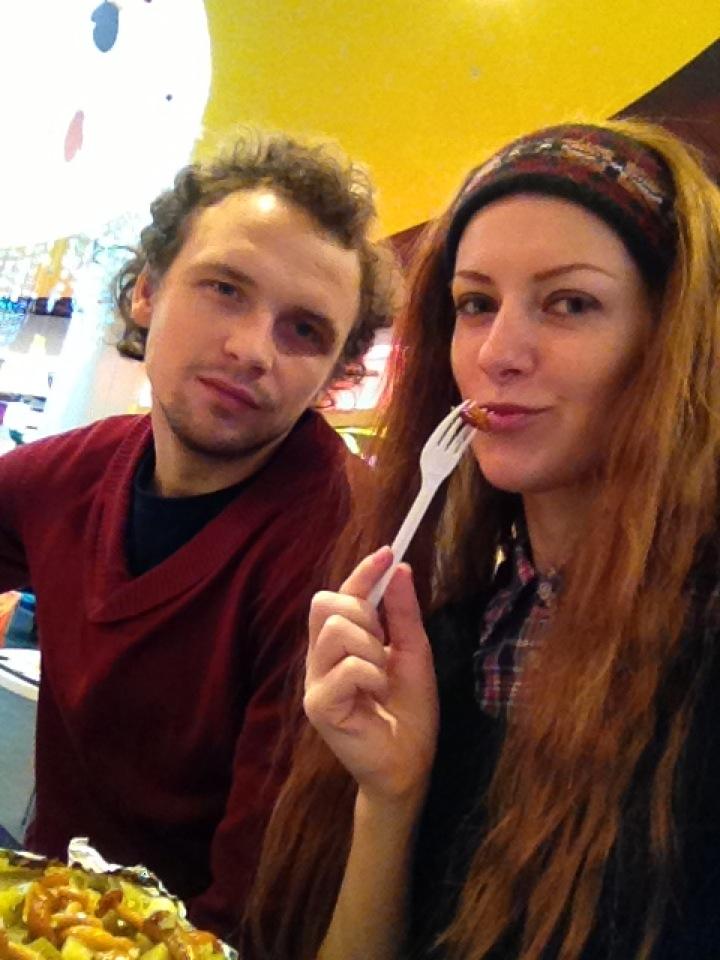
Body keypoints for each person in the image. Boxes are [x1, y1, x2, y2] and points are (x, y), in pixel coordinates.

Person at [248, 120, 720, 960]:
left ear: (674, 344)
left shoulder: (698, 663)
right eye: (475, 304)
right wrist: (390, 797)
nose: (498, 353)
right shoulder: (452, 639)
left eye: (570, 303)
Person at [0, 130, 397, 942]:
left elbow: (255, 901)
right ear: (148, 291)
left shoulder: (342, 550)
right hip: (40, 904)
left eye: (304, 331)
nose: (251, 349)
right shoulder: (73, 473)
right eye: (224, 289)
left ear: (334, 375)